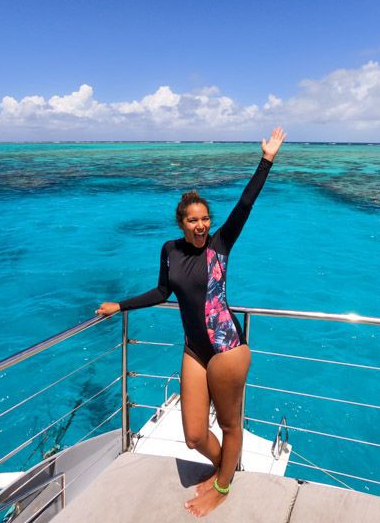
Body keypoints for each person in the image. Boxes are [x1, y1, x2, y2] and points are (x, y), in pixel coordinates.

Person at [96, 127, 286, 517]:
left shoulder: (220, 245)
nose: (201, 226)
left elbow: (246, 204)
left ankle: (222, 486)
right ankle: (224, 469)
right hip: (194, 349)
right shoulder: (169, 250)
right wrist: (121, 305)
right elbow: (163, 292)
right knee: (195, 435)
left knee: (231, 426)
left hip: (227, 348)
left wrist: (266, 160)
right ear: (181, 223)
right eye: (193, 221)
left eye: (205, 220)